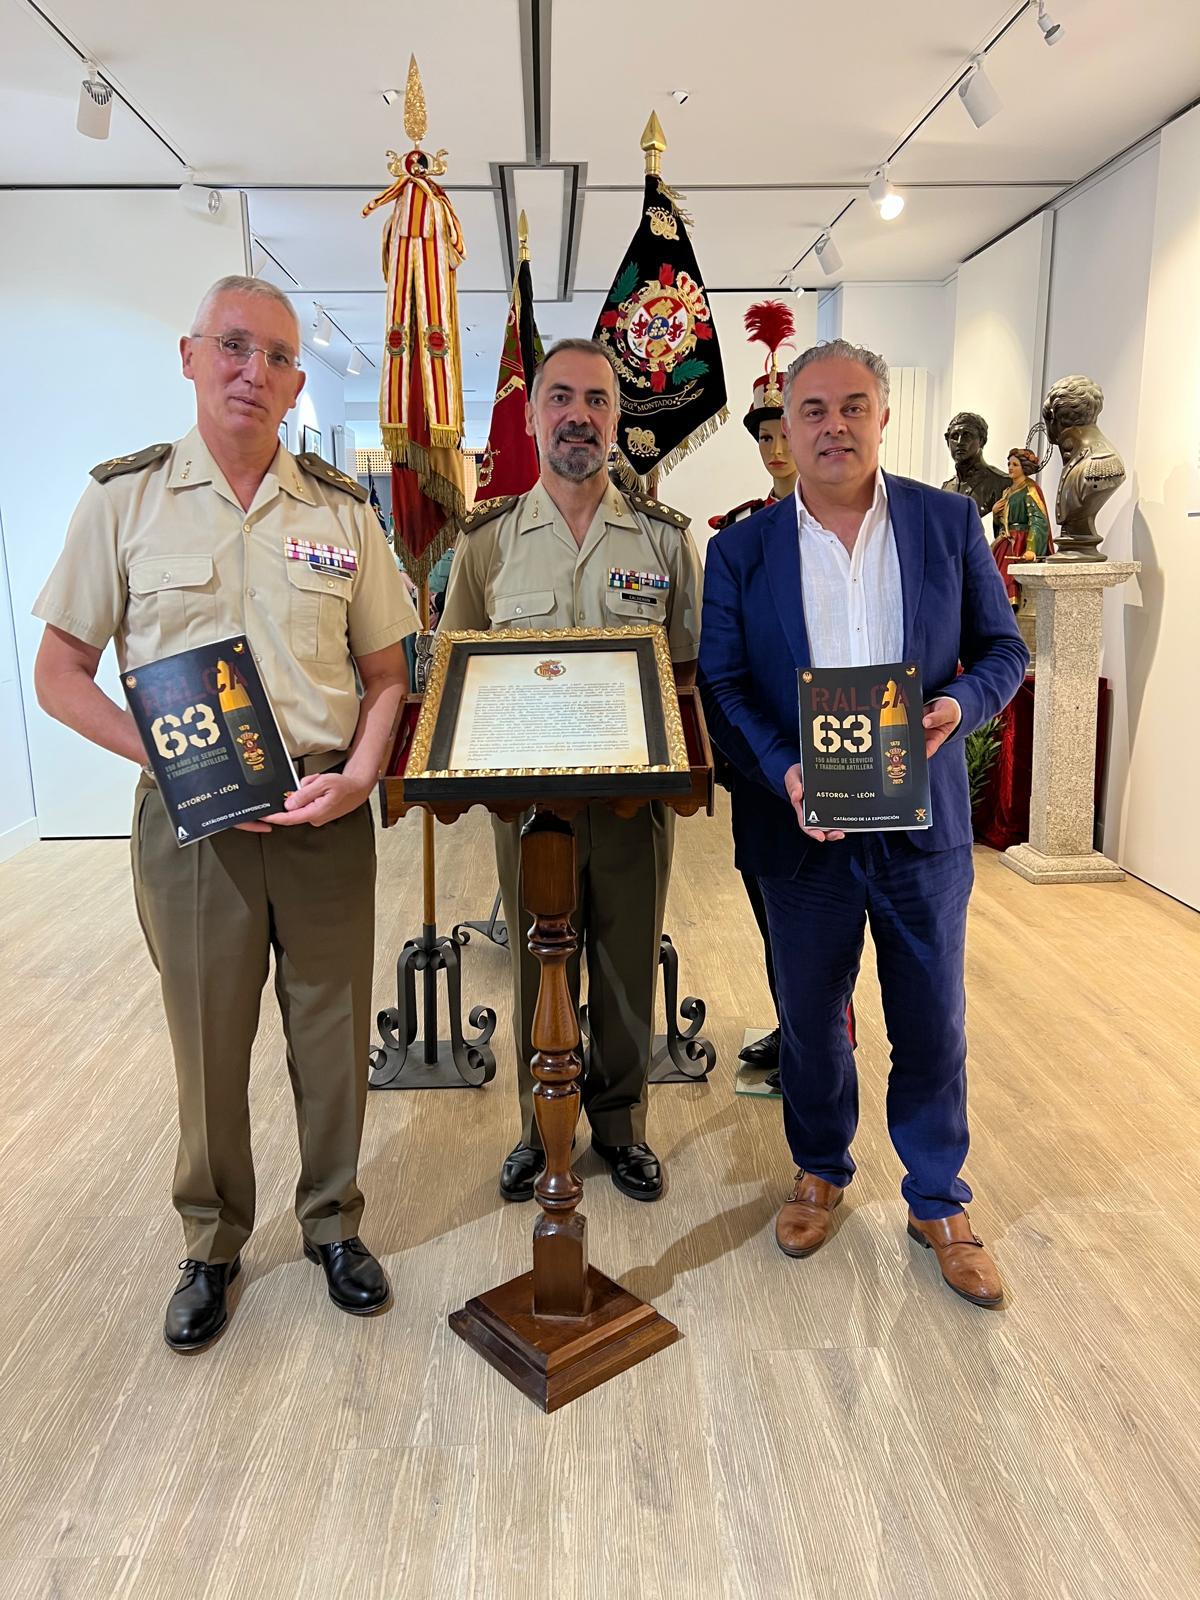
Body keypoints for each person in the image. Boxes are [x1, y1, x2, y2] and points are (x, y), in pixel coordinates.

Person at [33, 275, 419, 1351]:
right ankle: (210, 1242)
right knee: (206, 1037)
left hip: (323, 810)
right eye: (235, 346)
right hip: (194, 823)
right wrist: (165, 760)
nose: (255, 372)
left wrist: (362, 776)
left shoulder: (342, 513)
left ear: (298, 383)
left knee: (332, 1032)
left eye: (279, 357)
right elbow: (59, 674)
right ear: (191, 355)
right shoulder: (125, 502)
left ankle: (333, 1222)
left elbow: (387, 674)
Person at [698, 338, 1027, 1307]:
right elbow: (723, 682)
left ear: (883, 416)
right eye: (813, 410)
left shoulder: (946, 523)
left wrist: (957, 707)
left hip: (921, 830)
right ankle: (819, 1169)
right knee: (810, 1020)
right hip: (801, 831)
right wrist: (784, 771)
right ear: (787, 427)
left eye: (852, 407)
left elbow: (1003, 650)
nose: (833, 426)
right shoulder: (741, 550)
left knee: (932, 1019)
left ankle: (938, 1197)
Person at [441, 337, 701, 1204]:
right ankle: (536, 1125)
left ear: (617, 419)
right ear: (531, 416)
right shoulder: (488, 545)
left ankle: (621, 1125)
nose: (577, 416)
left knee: (627, 962)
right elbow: (455, 673)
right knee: (535, 966)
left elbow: (688, 671)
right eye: (560, 398)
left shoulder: (663, 541)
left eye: (596, 400)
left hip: (634, 805)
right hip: (529, 813)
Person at [990, 448, 1053, 605]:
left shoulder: (1030, 489)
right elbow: (1002, 523)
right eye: (1009, 464)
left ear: (1024, 467)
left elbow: (1038, 520)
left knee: (1007, 580)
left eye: (1015, 464)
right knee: (992, 578)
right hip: (1005, 543)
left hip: (1020, 543)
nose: (1010, 467)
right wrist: (995, 514)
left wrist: (1031, 548)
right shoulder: (1007, 492)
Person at [941, 412, 1011, 521]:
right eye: (954, 436)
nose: (959, 442)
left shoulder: (1002, 483)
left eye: (967, 435)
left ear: (982, 440)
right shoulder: (947, 487)